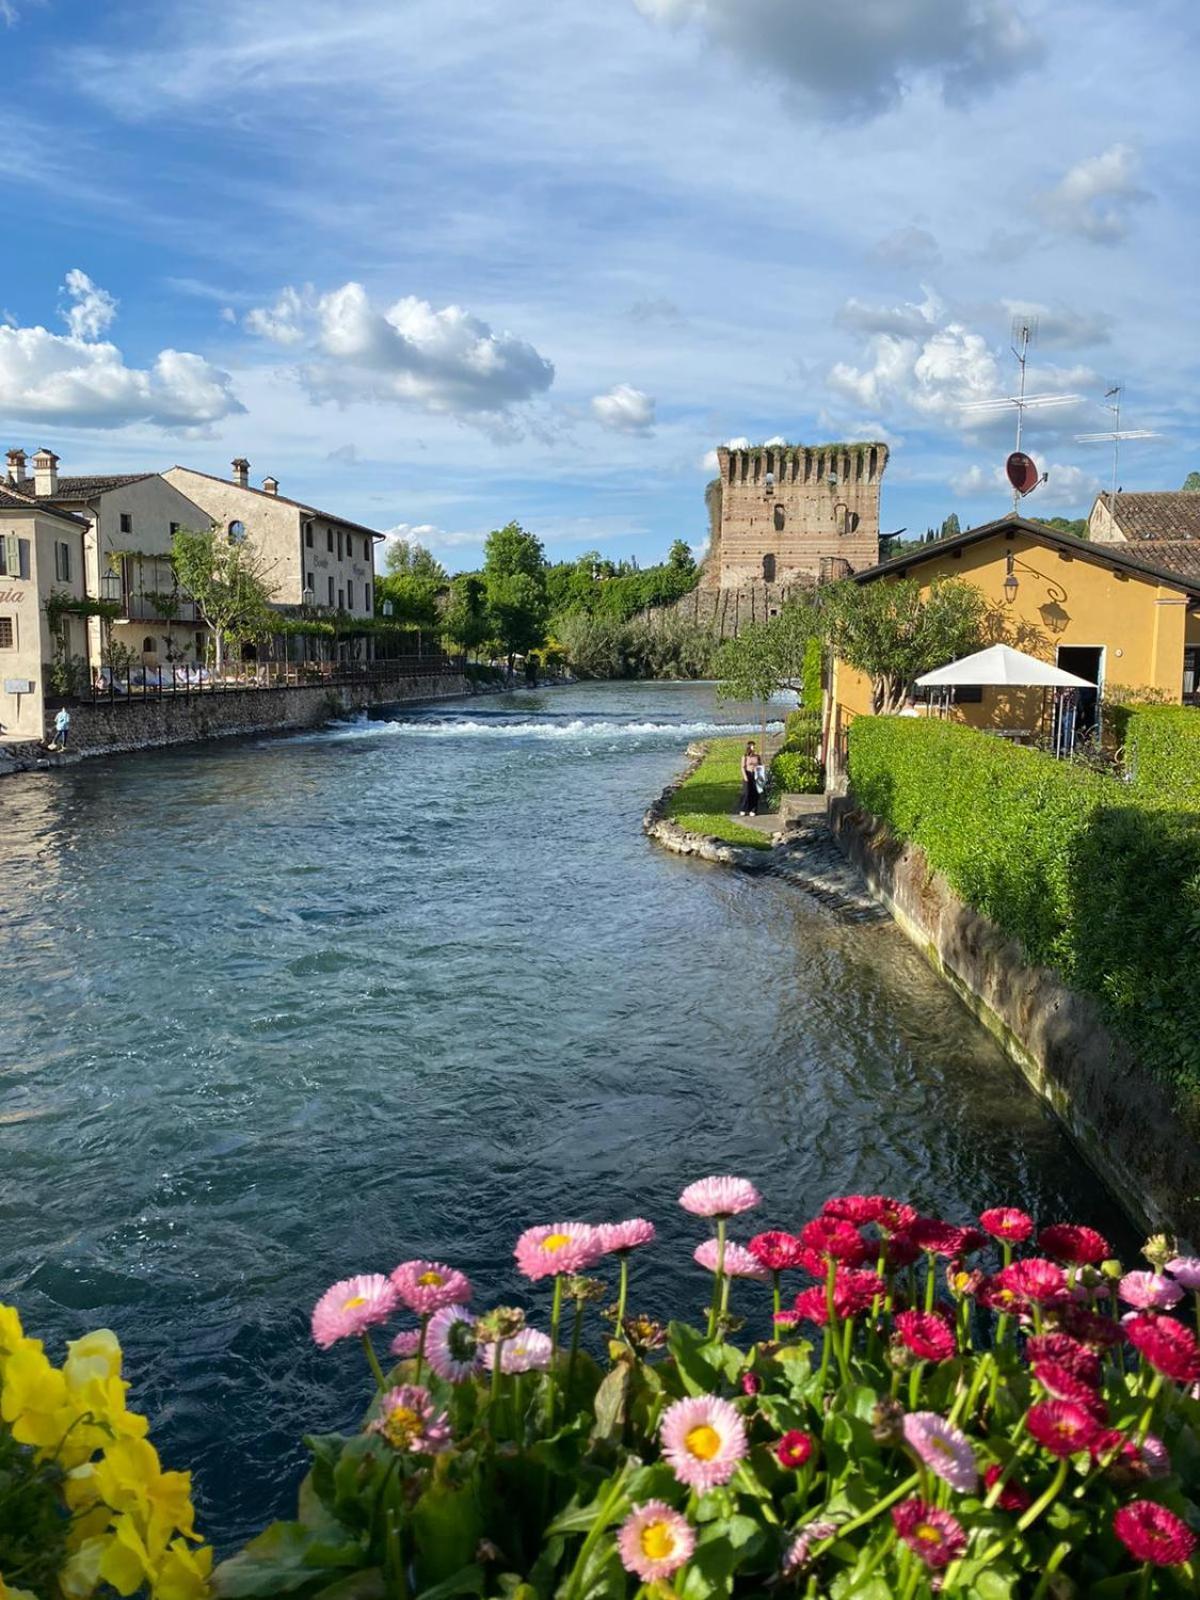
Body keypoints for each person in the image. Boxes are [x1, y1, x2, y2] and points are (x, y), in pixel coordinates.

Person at [739, 739, 760, 816]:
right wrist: (745, 777)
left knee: (755, 793)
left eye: (754, 746)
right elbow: (742, 767)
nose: (754, 747)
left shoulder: (757, 756)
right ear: (749, 747)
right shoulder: (745, 756)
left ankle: (753, 809)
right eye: (752, 746)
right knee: (746, 793)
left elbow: (760, 765)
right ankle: (743, 808)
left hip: (755, 774)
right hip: (748, 774)